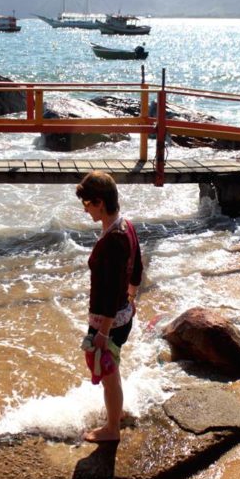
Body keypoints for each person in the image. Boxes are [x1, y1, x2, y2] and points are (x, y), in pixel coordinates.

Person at [76, 171, 143, 443]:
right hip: (122, 314)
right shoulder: (125, 225)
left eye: (87, 204)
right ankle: (117, 413)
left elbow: (112, 288)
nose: (85, 209)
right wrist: (132, 296)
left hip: (110, 321)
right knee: (109, 369)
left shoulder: (113, 239)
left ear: (100, 202)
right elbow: (137, 263)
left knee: (107, 373)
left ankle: (112, 429)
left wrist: (102, 331)